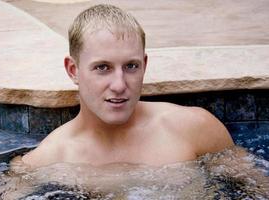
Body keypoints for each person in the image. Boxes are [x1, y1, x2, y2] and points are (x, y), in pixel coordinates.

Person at [21, 4, 234, 168]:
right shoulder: (49, 160)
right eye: (102, 67)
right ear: (73, 70)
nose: (119, 85)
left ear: (145, 65)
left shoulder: (195, 128)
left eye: (131, 66)